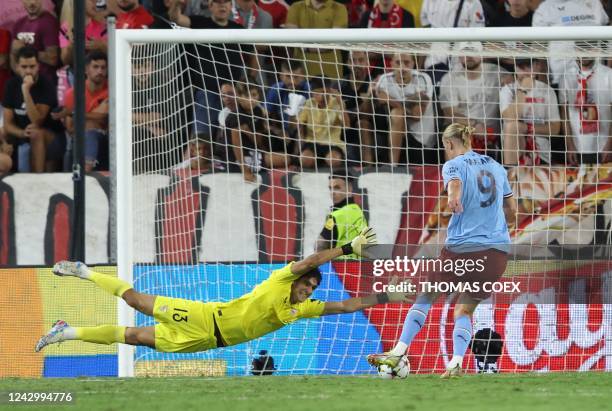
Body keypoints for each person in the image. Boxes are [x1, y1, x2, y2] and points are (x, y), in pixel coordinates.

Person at [34, 228, 412, 354]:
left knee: (132, 336)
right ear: (297, 281)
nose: (307, 289)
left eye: (312, 288)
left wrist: (387, 297)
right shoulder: (280, 279)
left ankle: (64, 331)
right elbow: (309, 259)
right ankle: (82, 270)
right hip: (204, 316)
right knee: (134, 301)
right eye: (307, 284)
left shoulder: (305, 309)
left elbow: (347, 305)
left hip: (208, 343)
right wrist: (346, 249)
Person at [367, 123, 517, 378]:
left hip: (463, 249)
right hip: (497, 253)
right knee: (464, 309)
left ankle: (397, 352)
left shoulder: (453, 164)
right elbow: (513, 213)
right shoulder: (496, 167)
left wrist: (453, 197)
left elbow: (455, 185)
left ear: (449, 144)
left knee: (426, 297)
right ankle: (456, 363)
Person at [2, 46, 59, 172]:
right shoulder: (11, 85)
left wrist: (26, 91)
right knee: (1, 132)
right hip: (23, 131)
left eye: (32, 66)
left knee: (35, 133)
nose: (28, 71)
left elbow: (37, 121)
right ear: (17, 67)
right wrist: (21, 133)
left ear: (38, 66)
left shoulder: (46, 84)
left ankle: (36, 180)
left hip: (50, 136)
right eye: (24, 67)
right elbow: (7, 123)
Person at [499, 58, 560, 166]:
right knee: (511, 126)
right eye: (520, 67)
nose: (524, 71)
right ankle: (511, 176)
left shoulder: (547, 91)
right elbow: (509, 118)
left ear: (537, 66)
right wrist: (523, 90)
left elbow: (555, 128)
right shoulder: (507, 90)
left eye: (527, 66)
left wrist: (527, 129)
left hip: (541, 154)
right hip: (515, 152)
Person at [315, 169, 368, 260]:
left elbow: (320, 246)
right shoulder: (357, 211)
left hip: (339, 268)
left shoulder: (337, 215)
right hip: (359, 267)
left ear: (349, 189)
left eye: (337, 187)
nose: (332, 193)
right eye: (330, 188)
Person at [10, 0, 60, 84]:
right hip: (22, 82)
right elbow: (12, 56)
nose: (32, 2)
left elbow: (53, 59)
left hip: (44, 83)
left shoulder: (49, 22)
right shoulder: (18, 24)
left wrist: (25, 49)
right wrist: (23, 77)